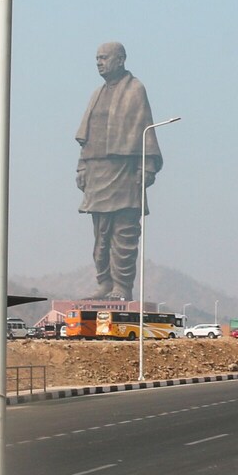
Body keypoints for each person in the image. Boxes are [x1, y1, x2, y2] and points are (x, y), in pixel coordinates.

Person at [74, 41, 163, 301]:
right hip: (97, 171)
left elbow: (145, 128)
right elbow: (87, 136)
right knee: (100, 234)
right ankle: (104, 282)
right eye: (97, 58)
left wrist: (146, 166)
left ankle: (122, 286)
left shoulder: (135, 89)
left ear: (120, 60)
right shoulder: (97, 94)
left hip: (124, 171)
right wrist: (82, 166)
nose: (99, 62)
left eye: (104, 57)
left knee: (124, 233)